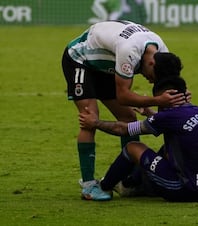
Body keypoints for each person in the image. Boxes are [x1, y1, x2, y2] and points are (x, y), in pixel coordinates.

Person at [61, 20, 186, 201]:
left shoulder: (162, 51)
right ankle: (88, 185)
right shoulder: (130, 50)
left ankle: (130, 180)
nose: (152, 82)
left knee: (128, 116)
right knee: (90, 118)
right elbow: (123, 96)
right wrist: (156, 100)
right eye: (153, 77)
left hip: (108, 66)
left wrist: (182, 95)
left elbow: (169, 85)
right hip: (81, 61)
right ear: (151, 63)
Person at [79, 75, 198, 202]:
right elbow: (172, 122)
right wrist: (150, 113)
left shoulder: (169, 116)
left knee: (133, 148)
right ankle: (133, 184)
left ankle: (104, 187)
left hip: (185, 190)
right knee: (168, 149)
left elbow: (123, 129)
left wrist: (95, 123)